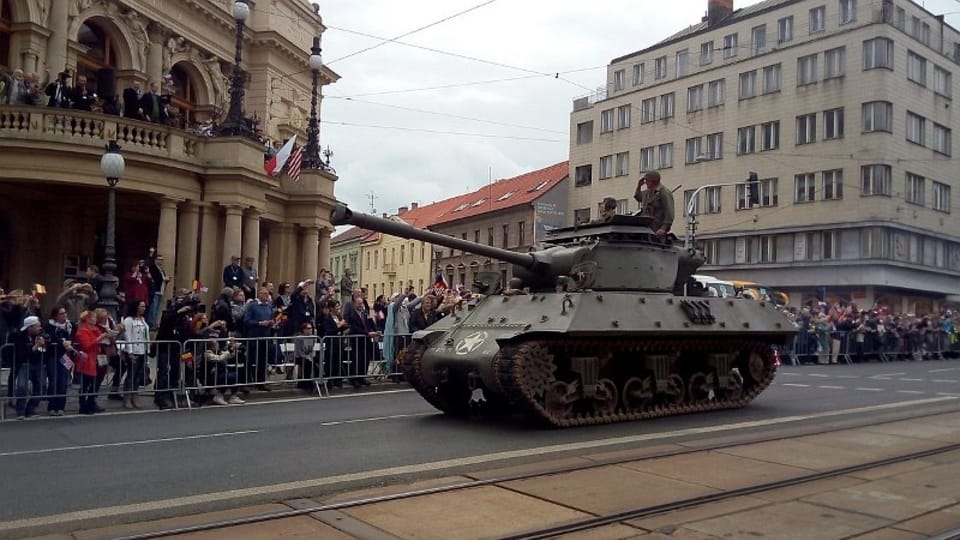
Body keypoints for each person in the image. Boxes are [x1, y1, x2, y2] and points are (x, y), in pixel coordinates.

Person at [634, 170, 674, 238]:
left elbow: (669, 211)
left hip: (657, 228)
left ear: (653, 181)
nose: (645, 182)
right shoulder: (648, 192)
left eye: (647, 180)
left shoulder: (664, 192)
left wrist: (663, 228)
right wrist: (639, 185)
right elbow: (638, 197)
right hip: (646, 227)